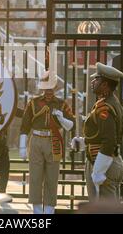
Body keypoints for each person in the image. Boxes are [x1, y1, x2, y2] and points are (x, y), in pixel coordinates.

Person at [19, 71, 75, 214]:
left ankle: (49, 211)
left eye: (51, 88)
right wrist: (22, 146)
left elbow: (71, 125)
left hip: (53, 140)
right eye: (46, 87)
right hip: (36, 140)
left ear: (55, 88)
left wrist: (61, 119)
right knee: (35, 177)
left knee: (52, 177)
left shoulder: (62, 104)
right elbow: (25, 125)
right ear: (42, 87)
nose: (49, 91)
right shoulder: (33, 103)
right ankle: (37, 212)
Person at [76, 62, 123, 202]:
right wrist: (84, 141)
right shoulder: (109, 102)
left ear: (105, 84)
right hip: (105, 161)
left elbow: (109, 141)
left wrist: (98, 170)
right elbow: (102, 135)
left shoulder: (106, 107)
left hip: (104, 163)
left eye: (96, 79)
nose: (92, 81)